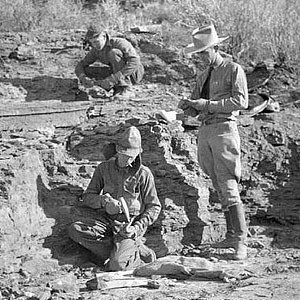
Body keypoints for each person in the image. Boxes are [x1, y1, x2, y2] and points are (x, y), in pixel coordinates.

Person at [178, 24, 249, 260]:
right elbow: (197, 107)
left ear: (215, 48)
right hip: (206, 131)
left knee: (228, 183)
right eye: (198, 53)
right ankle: (231, 235)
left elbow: (241, 101)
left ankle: (240, 241)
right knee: (218, 184)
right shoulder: (203, 75)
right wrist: (187, 106)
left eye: (203, 52)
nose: (200, 57)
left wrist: (206, 105)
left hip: (224, 130)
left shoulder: (233, 69)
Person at [68, 126, 161, 271]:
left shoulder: (144, 174)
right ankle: (121, 251)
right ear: (117, 150)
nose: (128, 159)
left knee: (117, 265)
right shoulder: (104, 168)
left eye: (132, 156)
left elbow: (154, 207)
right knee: (76, 230)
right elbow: (87, 197)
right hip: (106, 222)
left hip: (128, 227)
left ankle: (137, 252)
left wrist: (136, 228)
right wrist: (103, 202)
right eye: (124, 155)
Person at [75, 25, 144, 100]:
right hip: (116, 74)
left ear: (104, 36)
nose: (95, 45)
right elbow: (80, 65)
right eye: (92, 43)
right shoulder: (95, 50)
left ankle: (126, 89)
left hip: (133, 73)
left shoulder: (119, 43)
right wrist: (83, 78)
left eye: (96, 42)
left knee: (113, 53)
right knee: (87, 71)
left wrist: (115, 78)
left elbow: (135, 62)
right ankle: (115, 89)